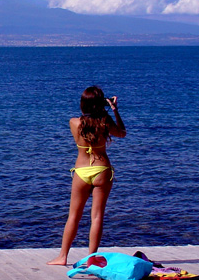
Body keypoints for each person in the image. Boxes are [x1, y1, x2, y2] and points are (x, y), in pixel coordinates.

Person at [47, 86, 126, 266]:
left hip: (81, 171)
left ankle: (62, 256)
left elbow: (86, 126)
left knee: (73, 216)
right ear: (100, 104)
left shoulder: (74, 122)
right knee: (97, 216)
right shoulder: (105, 121)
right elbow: (122, 133)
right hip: (102, 169)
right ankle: (91, 259)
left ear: (83, 104)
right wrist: (115, 110)